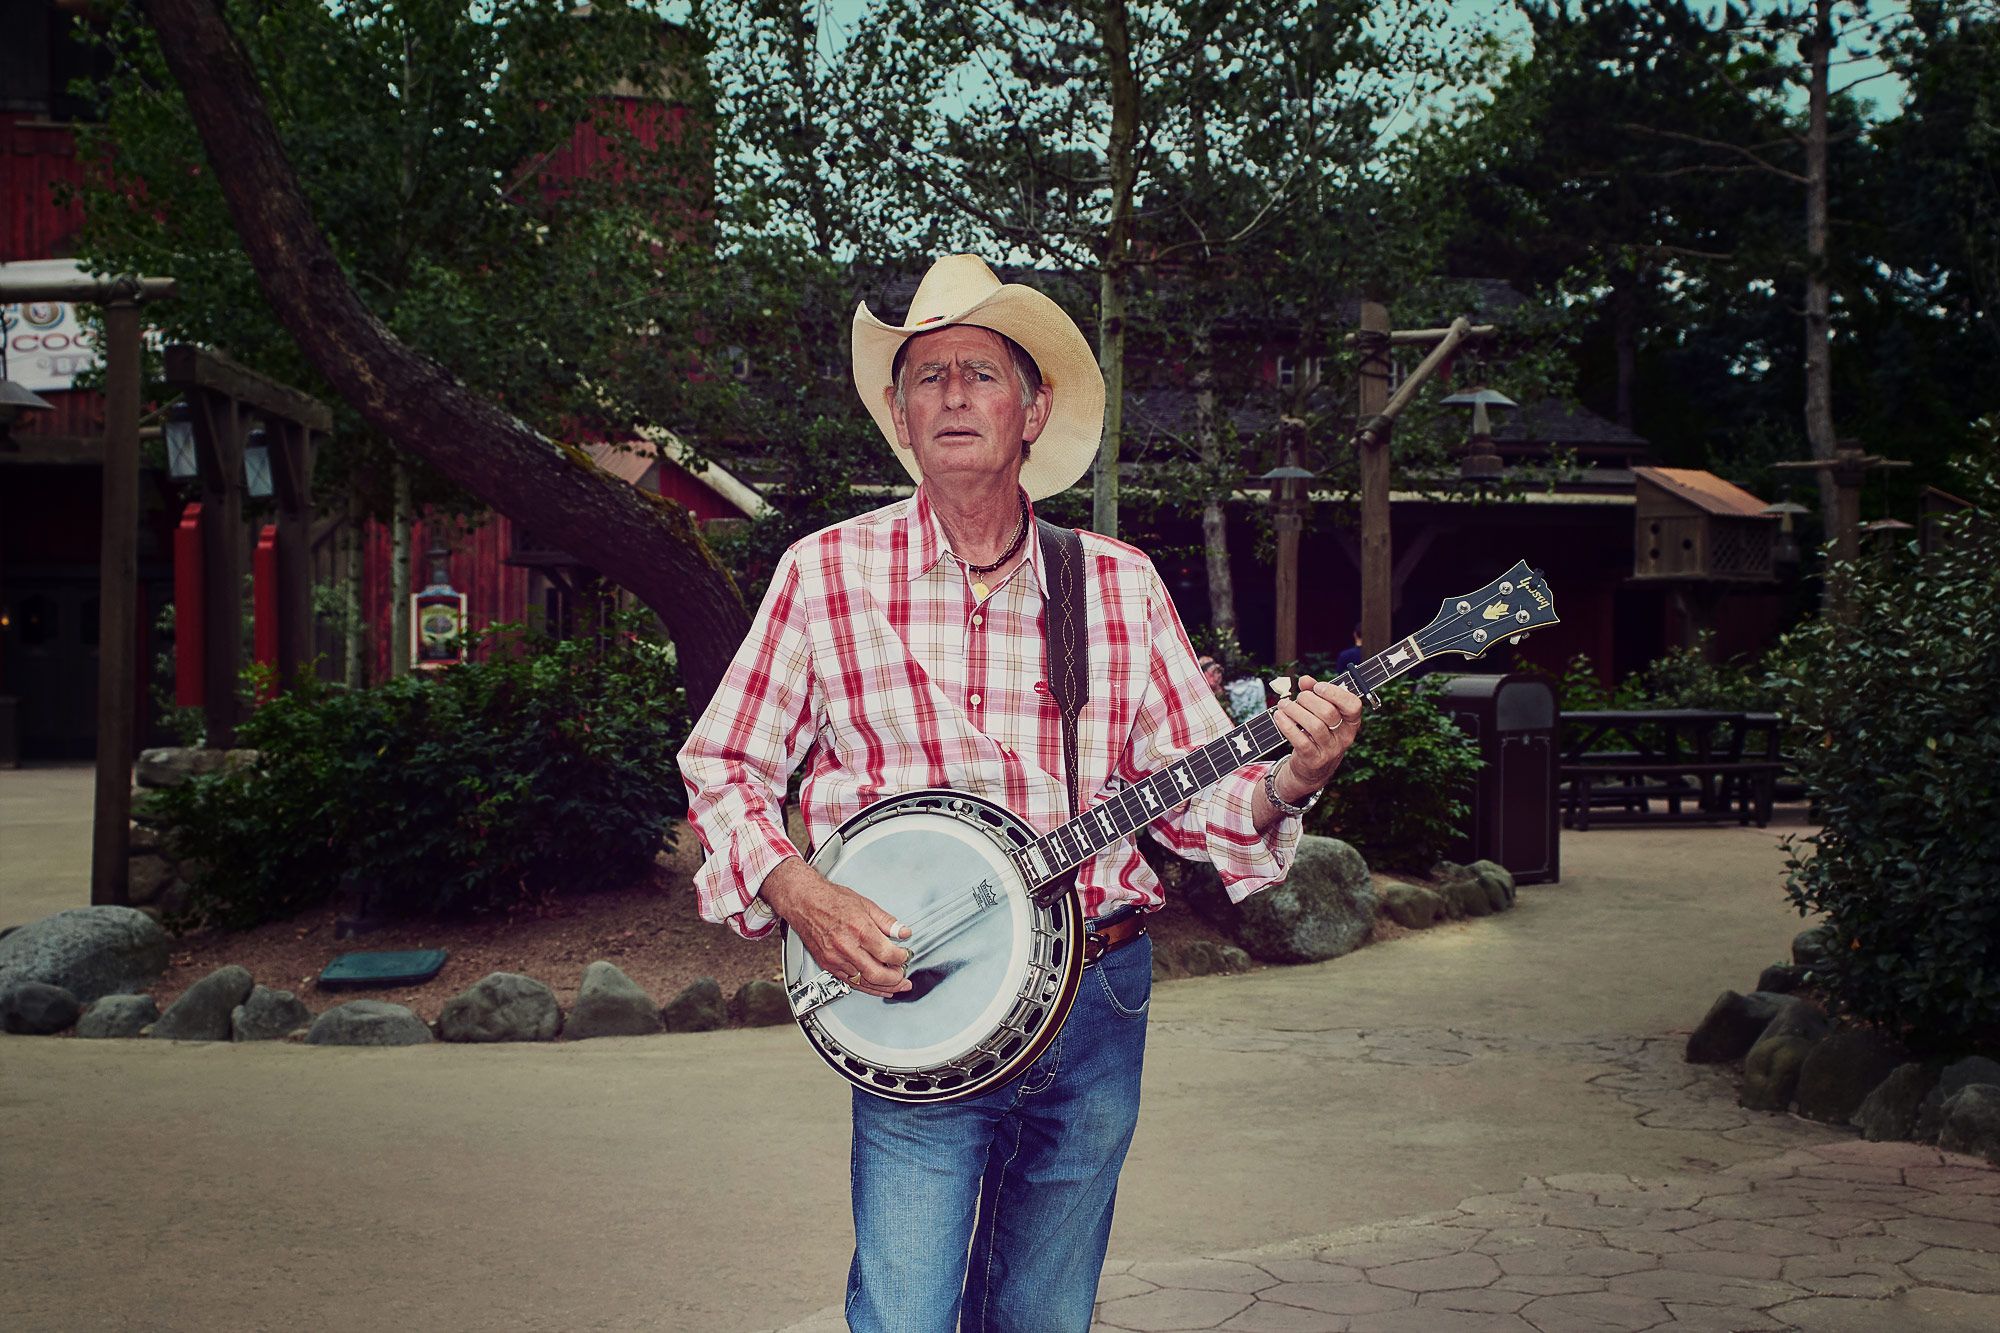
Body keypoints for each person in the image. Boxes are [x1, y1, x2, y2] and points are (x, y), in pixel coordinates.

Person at [678, 255, 1364, 1333]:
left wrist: (1292, 775)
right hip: (913, 993)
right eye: (928, 374)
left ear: (1033, 410)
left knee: (1044, 1314)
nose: (952, 392)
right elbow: (722, 765)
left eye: (981, 372)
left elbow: (1199, 797)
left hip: (1094, 997)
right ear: (901, 415)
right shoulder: (824, 574)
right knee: (905, 1314)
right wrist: (802, 894)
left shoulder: (1116, 584)